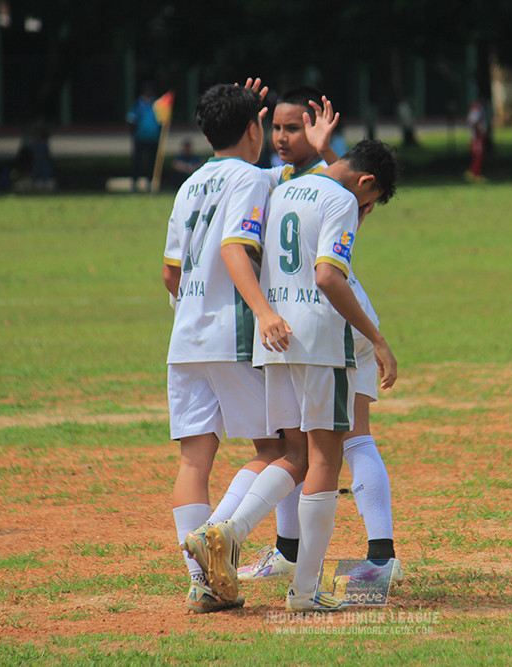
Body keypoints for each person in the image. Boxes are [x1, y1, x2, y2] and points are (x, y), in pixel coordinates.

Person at [188, 140, 400, 613]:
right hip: (323, 340)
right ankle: (305, 591)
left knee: (295, 453)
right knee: (326, 458)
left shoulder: (284, 189)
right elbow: (329, 276)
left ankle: (226, 532)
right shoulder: (341, 199)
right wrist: (378, 340)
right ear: (366, 184)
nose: (364, 211)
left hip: (276, 337)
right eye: (370, 202)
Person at [235, 88, 403, 586]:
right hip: (327, 320)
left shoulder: (288, 187)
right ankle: (313, 557)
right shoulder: (312, 185)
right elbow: (341, 202)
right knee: (320, 442)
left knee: (326, 441)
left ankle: (371, 558)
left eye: (293, 128)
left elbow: (339, 190)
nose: (365, 211)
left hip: (310, 322)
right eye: (278, 128)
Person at [163, 80, 300, 614]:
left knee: (193, 461)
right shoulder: (252, 177)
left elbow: (171, 272)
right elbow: (235, 245)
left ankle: (204, 582)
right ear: (254, 129)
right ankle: (225, 535)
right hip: (233, 335)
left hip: (186, 337)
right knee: (288, 451)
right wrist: (262, 310)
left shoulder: (189, 184)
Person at [127, 83, 162, 192]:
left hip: (153, 138)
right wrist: (133, 134)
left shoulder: (157, 103)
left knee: (151, 162)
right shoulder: (138, 104)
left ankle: (150, 183)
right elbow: (131, 119)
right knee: (138, 162)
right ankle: (135, 183)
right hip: (140, 137)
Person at [465, 96, 488, 183]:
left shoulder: (479, 107)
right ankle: (475, 174)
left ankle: (473, 171)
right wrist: (480, 131)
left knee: (478, 155)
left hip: (478, 135)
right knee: (478, 155)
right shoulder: (477, 107)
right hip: (477, 136)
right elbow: (473, 121)